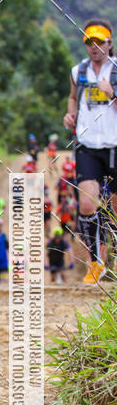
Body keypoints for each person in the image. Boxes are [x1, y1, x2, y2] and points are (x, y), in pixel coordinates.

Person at [63, 17, 117, 284]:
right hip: (87, 146)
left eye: (98, 42)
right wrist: (70, 115)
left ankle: (113, 259)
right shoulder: (78, 71)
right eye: (89, 42)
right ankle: (95, 262)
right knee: (86, 204)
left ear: (109, 43)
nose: (93, 47)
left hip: (114, 145)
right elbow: (73, 97)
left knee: (114, 209)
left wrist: (112, 95)